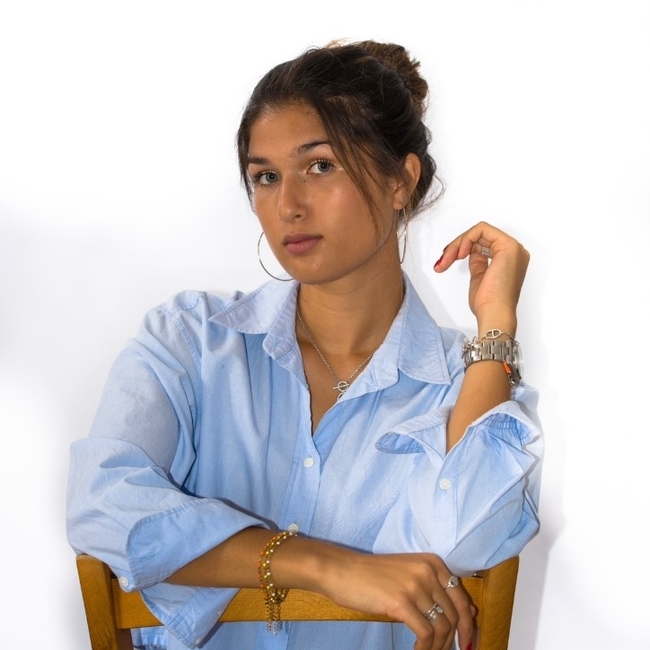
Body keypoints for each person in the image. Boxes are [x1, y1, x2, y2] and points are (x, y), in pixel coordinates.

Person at [67, 40, 542, 650]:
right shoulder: (190, 342)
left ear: (401, 180)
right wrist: (323, 565)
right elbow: (101, 503)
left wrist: (495, 327)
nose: (287, 206)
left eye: (319, 166)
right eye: (265, 177)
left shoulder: (466, 384)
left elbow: (466, 539)